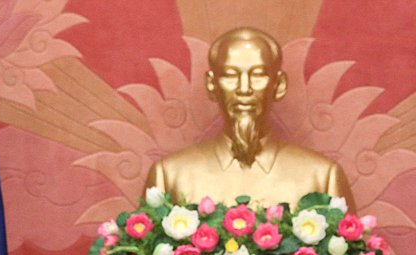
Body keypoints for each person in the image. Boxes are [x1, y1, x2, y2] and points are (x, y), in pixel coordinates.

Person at [145, 27, 354, 208]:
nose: (244, 89)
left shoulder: (322, 177)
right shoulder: (169, 176)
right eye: (230, 75)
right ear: (211, 84)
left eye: (257, 75)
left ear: (279, 84)